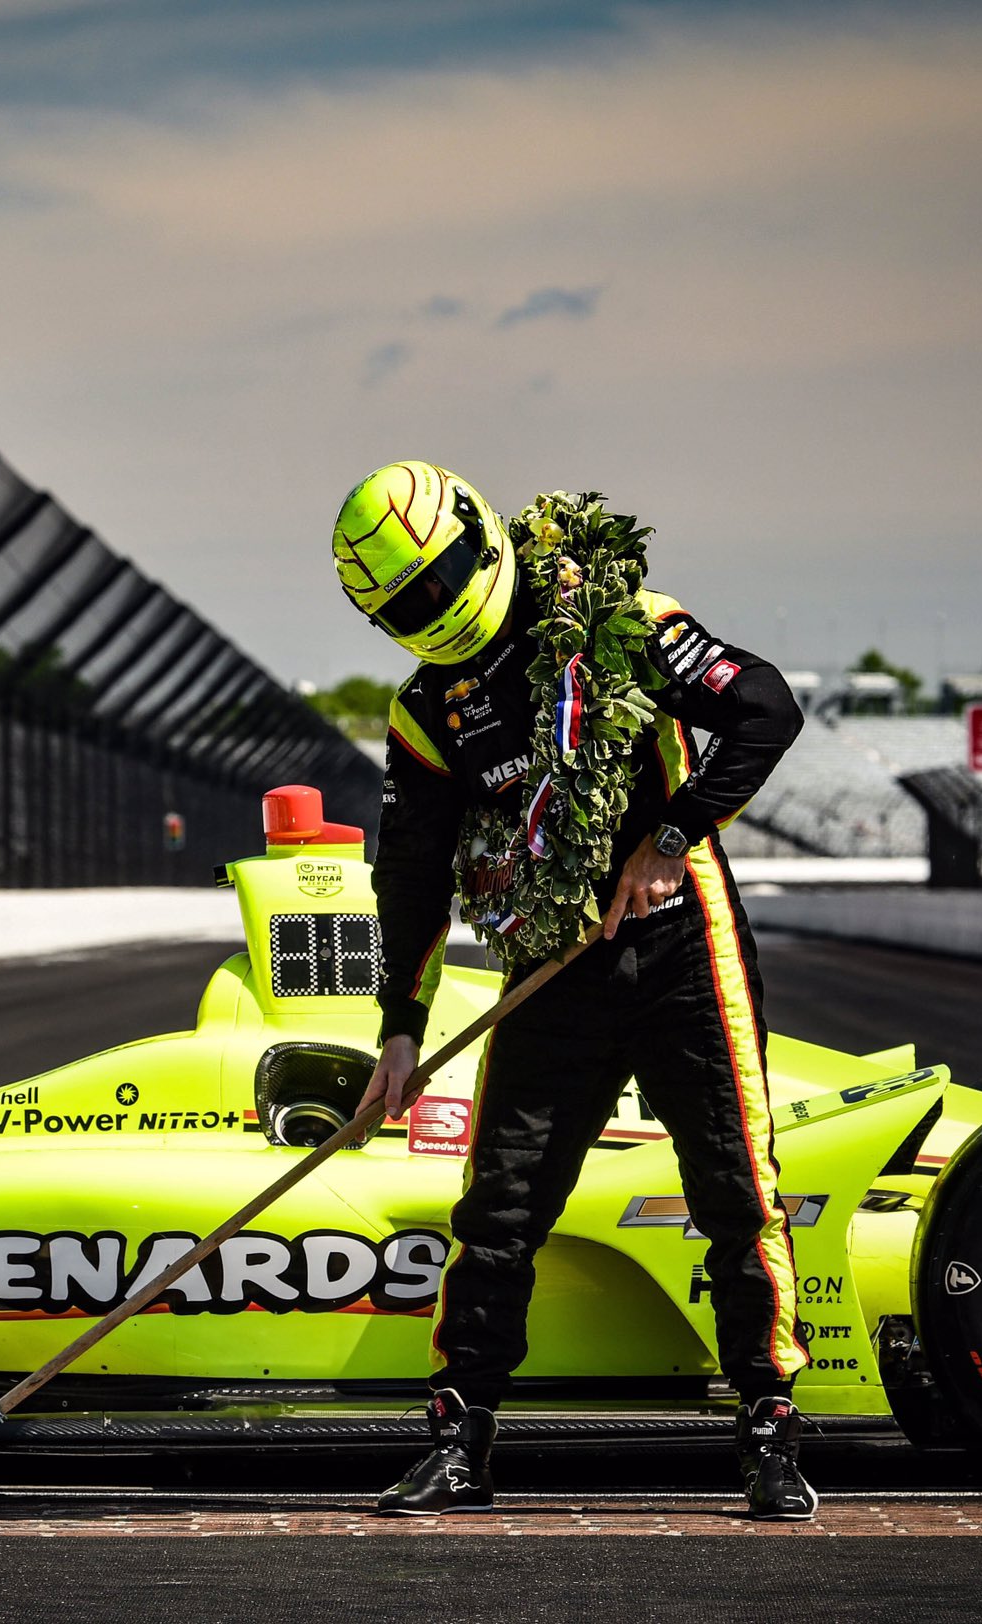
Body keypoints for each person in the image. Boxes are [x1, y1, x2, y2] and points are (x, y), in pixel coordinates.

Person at [331, 460, 816, 1521]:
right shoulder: (424, 714)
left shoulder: (619, 619)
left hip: (685, 945)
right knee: (497, 1210)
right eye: (401, 607)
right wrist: (400, 1031)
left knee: (735, 1192)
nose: (429, 611)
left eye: (434, 582)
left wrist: (669, 836)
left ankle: (770, 1430)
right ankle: (459, 1441)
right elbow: (408, 877)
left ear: (476, 537)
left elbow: (766, 710)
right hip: (550, 969)